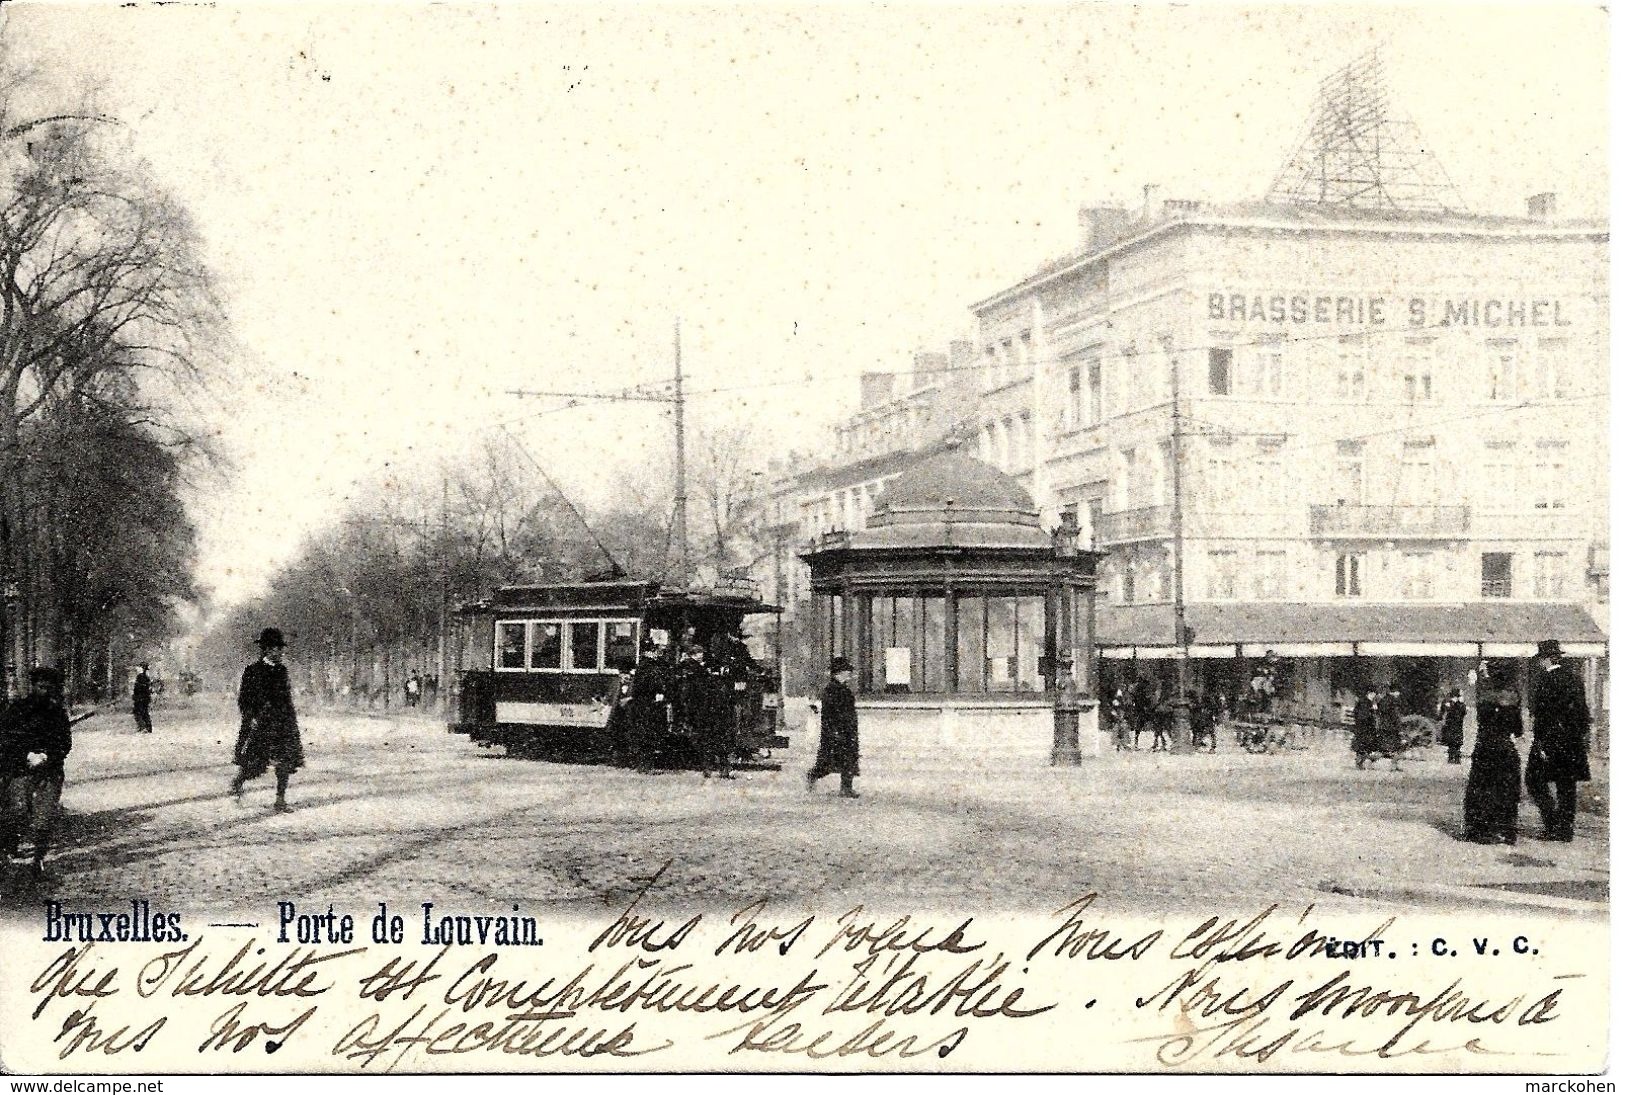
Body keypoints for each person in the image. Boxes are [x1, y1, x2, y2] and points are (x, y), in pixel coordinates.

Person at [0, 667, 72, 878]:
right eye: (41, 686)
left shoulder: (58, 713)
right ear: (33, 686)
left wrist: (48, 756)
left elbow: (65, 743)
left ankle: (38, 859)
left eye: (50, 688)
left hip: (50, 771)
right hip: (21, 770)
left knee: (45, 816)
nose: (45, 691)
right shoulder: (17, 710)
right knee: (17, 810)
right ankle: (8, 847)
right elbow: (6, 740)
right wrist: (26, 755)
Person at [231, 628, 304, 812]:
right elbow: (244, 699)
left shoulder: (282, 671)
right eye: (277, 649)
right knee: (256, 765)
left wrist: (291, 721)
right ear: (267, 650)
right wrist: (251, 717)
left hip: (282, 723)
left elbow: (286, 698)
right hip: (260, 723)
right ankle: (238, 782)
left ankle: (280, 800)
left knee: (285, 761)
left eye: (281, 649)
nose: (281, 652)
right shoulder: (252, 671)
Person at [1525, 639, 1591, 842]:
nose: (1539, 663)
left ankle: (1552, 823)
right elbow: (1583, 713)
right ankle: (1565, 830)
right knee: (1567, 786)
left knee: (1533, 780)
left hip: (1550, 740)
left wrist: (1541, 742)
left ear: (1547, 659)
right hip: (1572, 742)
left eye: (1541, 659)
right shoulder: (1574, 678)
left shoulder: (1545, 680)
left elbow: (1543, 716)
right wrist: (1579, 736)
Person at [1463, 669, 1522, 845]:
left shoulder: (1483, 701)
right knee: (1507, 790)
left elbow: (1481, 724)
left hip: (1485, 748)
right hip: (1505, 749)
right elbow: (1518, 731)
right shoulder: (1513, 702)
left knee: (1482, 789)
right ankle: (1507, 830)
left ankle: (1481, 830)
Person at [808, 656, 859, 798]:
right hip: (836, 730)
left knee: (849, 759)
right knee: (828, 761)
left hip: (846, 730)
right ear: (838, 673)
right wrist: (834, 730)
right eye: (846, 671)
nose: (849, 673)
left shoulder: (842, 689)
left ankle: (846, 788)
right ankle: (812, 775)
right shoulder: (832, 690)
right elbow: (830, 713)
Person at [1350, 688, 1380, 768]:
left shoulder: (1367, 702)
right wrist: (1372, 711)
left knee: (1365, 746)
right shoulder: (1365, 702)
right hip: (1364, 727)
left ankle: (1361, 763)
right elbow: (1363, 715)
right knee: (1364, 745)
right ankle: (1359, 763)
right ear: (1369, 693)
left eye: (1375, 694)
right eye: (1373, 693)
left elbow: (1356, 712)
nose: (1374, 695)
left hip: (1364, 727)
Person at [1437, 688, 1467, 764]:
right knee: (1453, 741)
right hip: (1452, 724)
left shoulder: (1459, 703)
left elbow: (1463, 712)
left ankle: (1455, 758)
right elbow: (1443, 711)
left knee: (1455, 741)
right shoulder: (1449, 702)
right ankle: (1453, 758)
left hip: (1455, 724)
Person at [132, 663, 153, 734]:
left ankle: (143, 727)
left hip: (141, 698)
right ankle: (148, 728)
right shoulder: (146, 677)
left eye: (138, 667)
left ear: (142, 668)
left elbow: (138, 688)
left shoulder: (140, 676)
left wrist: (136, 697)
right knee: (144, 712)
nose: (136, 669)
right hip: (144, 698)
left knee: (139, 712)